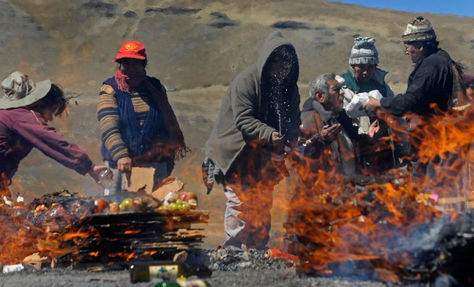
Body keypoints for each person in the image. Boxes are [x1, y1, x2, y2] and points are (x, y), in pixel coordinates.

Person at [203, 31, 301, 248]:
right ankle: (235, 250)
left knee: (262, 202)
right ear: (267, 62)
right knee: (240, 202)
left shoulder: (289, 88)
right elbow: (244, 120)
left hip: (265, 155)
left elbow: (293, 121)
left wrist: (287, 144)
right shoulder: (246, 82)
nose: (282, 70)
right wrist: (269, 134)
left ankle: (257, 251)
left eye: (287, 65)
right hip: (236, 151)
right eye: (277, 64)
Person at [0, 71, 107, 202]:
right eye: (51, 111)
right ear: (37, 103)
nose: (50, 118)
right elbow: (53, 142)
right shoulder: (20, 116)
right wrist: (90, 167)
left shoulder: (7, 115)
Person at [97, 40, 187, 194]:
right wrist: (121, 155)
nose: (130, 68)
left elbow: (166, 121)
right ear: (119, 64)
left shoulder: (155, 87)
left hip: (155, 164)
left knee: (155, 210)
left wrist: (168, 154)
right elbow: (109, 125)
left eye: (135, 63)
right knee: (118, 209)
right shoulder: (110, 89)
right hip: (122, 165)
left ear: (143, 64)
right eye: (126, 63)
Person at [364, 16, 464, 117]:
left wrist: (380, 104)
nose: (406, 52)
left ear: (420, 47)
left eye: (407, 48)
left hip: (434, 128)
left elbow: (410, 102)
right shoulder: (442, 58)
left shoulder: (431, 65)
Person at [296, 73, 379, 177]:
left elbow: (354, 143)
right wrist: (321, 140)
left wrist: (369, 138)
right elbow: (300, 158)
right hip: (324, 189)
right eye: (336, 89)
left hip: (348, 186)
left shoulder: (340, 116)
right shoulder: (307, 121)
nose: (342, 92)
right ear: (321, 96)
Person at [339, 36, 398, 172]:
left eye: (370, 67)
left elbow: (393, 110)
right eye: (361, 67)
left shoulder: (382, 86)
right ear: (353, 66)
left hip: (383, 145)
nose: (366, 72)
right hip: (357, 147)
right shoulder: (342, 87)